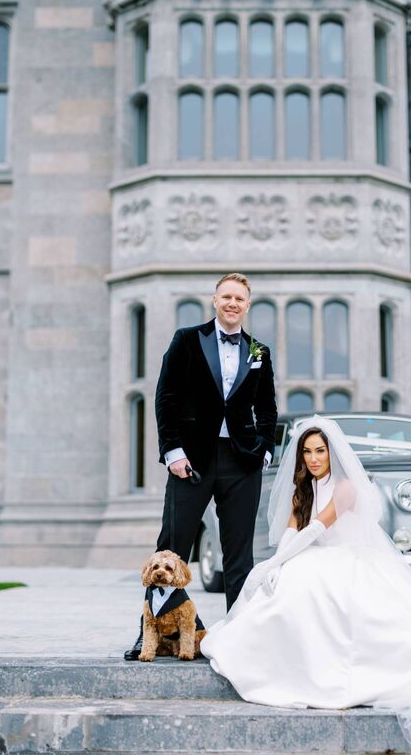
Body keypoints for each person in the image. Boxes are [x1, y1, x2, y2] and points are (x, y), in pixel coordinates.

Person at [200, 416, 411, 745]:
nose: (314, 458)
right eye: (307, 451)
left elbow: (320, 526)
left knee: (309, 584)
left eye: (320, 450)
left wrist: (281, 560)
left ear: (332, 453)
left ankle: (329, 673)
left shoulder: (347, 487)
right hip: (310, 555)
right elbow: (294, 529)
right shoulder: (301, 488)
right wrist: (275, 564)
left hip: (348, 557)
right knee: (283, 582)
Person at [124, 272, 278, 660]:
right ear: (214, 299)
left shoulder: (259, 351)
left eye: (239, 298)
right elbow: (166, 397)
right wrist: (172, 451)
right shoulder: (187, 340)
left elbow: (268, 407)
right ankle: (151, 635)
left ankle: (241, 635)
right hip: (190, 460)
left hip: (242, 461)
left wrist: (264, 449)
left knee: (240, 553)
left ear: (247, 304)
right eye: (226, 296)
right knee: (172, 550)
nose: (232, 303)